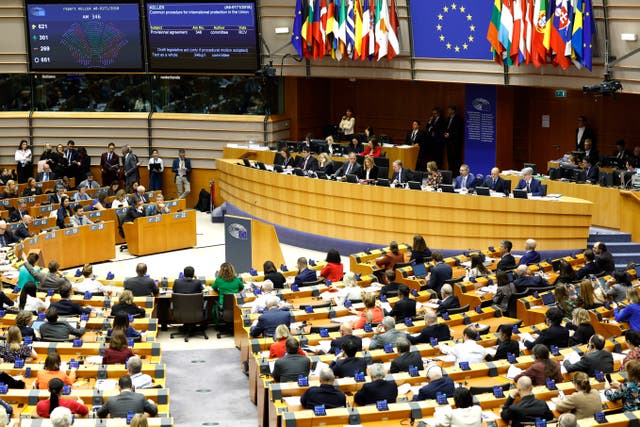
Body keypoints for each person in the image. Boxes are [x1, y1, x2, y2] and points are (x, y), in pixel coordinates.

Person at [444, 105, 463, 173]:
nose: (448, 111)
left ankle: (456, 172)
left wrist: (450, 134)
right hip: (448, 141)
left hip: (455, 142)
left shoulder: (458, 119)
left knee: (456, 157)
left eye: (449, 110)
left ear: (453, 110)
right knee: (450, 157)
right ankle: (450, 171)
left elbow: (458, 131)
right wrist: (445, 133)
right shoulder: (448, 118)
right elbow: (446, 128)